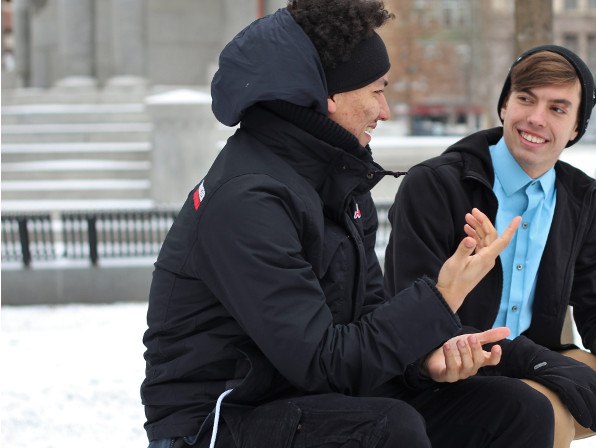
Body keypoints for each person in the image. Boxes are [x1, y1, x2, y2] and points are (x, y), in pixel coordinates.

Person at [141, 2, 556, 448]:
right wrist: (442, 297)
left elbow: (366, 319)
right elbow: (322, 360)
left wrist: (428, 359)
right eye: (377, 91)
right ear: (329, 96)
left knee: (515, 410)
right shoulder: (248, 200)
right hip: (217, 422)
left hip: (307, 399)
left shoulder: (336, 182)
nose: (386, 110)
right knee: (386, 429)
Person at [384, 45, 596, 447]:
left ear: (577, 127)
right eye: (526, 99)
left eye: (558, 109)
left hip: (547, 366)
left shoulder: (577, 199)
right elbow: (414, 316)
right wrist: (539, 361)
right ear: (504, 105)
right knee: (543, 409)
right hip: (456, 372)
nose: (536, 118)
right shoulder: (437, 185)